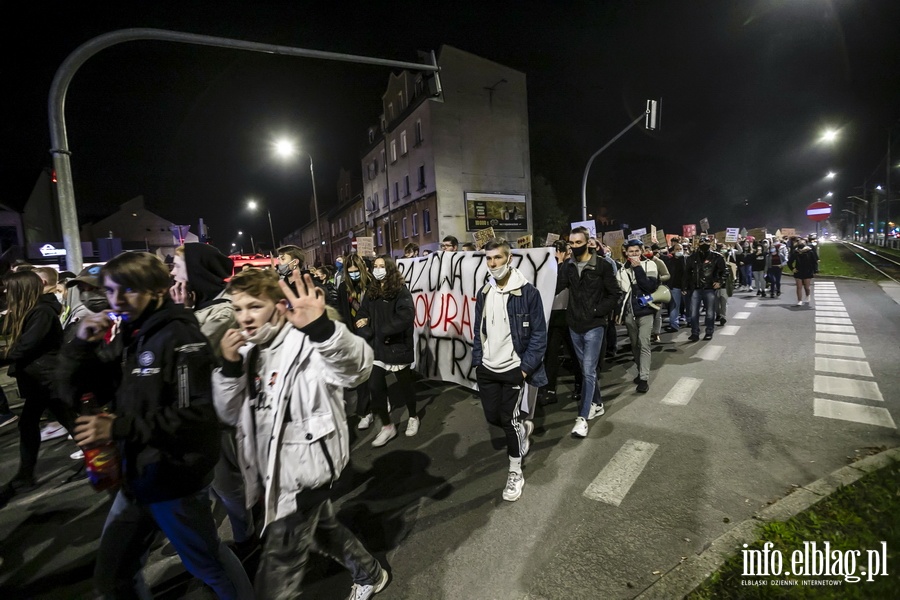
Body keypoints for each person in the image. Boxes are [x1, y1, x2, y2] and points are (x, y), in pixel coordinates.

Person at [61, 251, 253, 599]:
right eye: (111, 290)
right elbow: (79, 391)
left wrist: (117, 429)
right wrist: (80, 347)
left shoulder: (180, 336)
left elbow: (197, 417)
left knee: (209, 564)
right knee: (113, 576)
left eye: (129, 290)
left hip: (173, 478)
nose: (117, 300)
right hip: (138, 473)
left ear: (155, 290)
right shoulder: (131, 332)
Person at [212, 268, 389, 598]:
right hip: (272, 475)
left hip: (306, 475)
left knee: (277, 568)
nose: (244, 317)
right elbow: (228, 413)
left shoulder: (307, 340)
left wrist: (322, 329)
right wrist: (229, 368)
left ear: (279, 306)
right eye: (238, 309)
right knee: (324, 531)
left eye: (254, 306)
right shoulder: (249, 352)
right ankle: (370, 573)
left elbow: (358, 370)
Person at [171, 243, 257, 558]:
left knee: (228, 485)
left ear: (195, 272)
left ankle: (247, 538)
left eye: (177, 267)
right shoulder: (197, 307)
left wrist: (181, 314)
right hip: (192, 412)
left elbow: (190, 350)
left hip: (218, 413)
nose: (172, 274)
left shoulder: (224, 310)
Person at [472, 239, 547, 501]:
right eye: (489, 259)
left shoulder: (528, 293)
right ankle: (523, 430)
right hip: (487, 369)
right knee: (493, 417)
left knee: (508, 419)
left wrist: (524, 370)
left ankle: (515, 470)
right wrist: (478, 362)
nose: (493, 264)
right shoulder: (484, 293)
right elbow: (478, 332)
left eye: (498, 258)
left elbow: (539, 335)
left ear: (509, 259)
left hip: (514, 370)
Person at [0, 271, 77, 507]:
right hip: (41, 380)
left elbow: (25, 348)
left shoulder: (41, 313)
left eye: (8, 289)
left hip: (48, 380)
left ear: (20, 290)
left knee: (73, 422)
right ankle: (25, 475)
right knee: (38, 423)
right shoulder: (34, 311)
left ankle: (105, 464)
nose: (5, 293)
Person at [556, 226, 620, 438]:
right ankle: (598, 403)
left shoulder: (602, 265)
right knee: (586, 370)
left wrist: (597, 311)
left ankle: (582, 418)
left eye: (578, 242)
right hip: (574, 324)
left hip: (594, 325)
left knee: (588, 370)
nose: (574, 246)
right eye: (571, 243)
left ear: (587, 242)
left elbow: (614, 294)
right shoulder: (568, 266)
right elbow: (557, 287)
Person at [354, 255, 417, 446]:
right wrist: (367, 329)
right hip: (377, 347)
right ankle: (387, 426)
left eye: (382, 266)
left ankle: (413, 416)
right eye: (375, 266)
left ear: (389, 269)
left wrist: (380, 330)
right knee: (374, 386)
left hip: (396, 346)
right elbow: (362, 314)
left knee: (405, 385)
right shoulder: (371, 291)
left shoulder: (400, 291)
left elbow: (405, 317)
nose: (378, 269)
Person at [540, 240, 582, 406]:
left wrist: (560, 262)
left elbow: (558, 284)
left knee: (575, 353)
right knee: (551, 354)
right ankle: (550, 389)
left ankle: (580, 385)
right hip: (554, 315)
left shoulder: (571, 266)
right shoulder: (547, 267)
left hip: (570, 315)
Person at [337, 254, 376, 428]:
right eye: (350, 272)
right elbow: (342, 312)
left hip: (373, 333)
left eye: (356, 271)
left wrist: (369, 321)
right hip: (354, 335)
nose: (353, 275)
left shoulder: (372, 284)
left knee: (376, 373)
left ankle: (380, 400)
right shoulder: (343, 288)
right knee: (362, 374)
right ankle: (365, 412)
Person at [615, 240, 659, 393]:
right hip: (629, 314)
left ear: (641, 251)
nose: (634, 254)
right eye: (630, 251)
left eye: (636, 251)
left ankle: (644, 378)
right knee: (635, 345)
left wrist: (638, 268)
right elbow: (621, 293)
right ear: (626, 252)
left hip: (646, 311)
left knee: (644, 342)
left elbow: (649, 286)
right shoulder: (621, 270)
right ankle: (641, 371)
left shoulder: (650, 265)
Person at [683, 236, 727, 341]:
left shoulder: (717, 257)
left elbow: (724, 271)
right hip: (696, 288)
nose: (704, 244)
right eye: (701, 242)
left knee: (710, 312)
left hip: (709, 288)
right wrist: (684, 287)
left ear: (710, 243)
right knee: (694, 313)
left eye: (706, 242)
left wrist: (719, 282)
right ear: (698, 244)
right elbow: (687, 273)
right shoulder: (692, 258)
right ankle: (694, 333)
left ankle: (709, 332)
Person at [662, 243, 687, 332]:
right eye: (677, 249)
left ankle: (691, 321)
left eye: (680, 249)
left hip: (687, 288)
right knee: (674, 306)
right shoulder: (670, 261)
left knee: (689, 305)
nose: (679, 251)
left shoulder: (687, 260)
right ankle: (674, 325)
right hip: (675, 287)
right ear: (673, 251)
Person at [788, 238, 817, 305]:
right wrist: (792, 269)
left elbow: (814, 261)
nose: (801, 244)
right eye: (799, 243)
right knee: (799, 287)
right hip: (798, 271)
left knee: (807, 287)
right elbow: (789, 262)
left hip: (807, 270)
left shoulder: (810, 251)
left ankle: (808, 295)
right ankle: (799, 300)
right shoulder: (796, 252)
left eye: (802, 243)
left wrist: (815, 270)